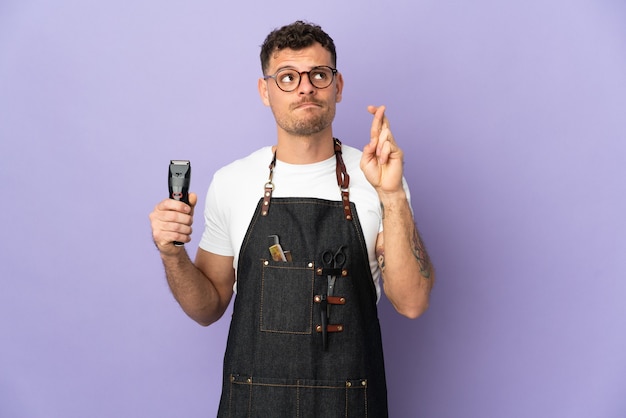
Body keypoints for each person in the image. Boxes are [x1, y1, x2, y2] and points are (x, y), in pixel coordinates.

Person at [149, 20, 434, 417]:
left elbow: (413, 302)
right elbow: (208, 307)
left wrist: (391, 194)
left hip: (350, 404)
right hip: (254, 405)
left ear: (337, 86)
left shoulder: (378, 177)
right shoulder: (233, 182)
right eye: (287, 77)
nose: (305, 87)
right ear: (265, 91)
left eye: (319, 74)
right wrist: (171, 253)